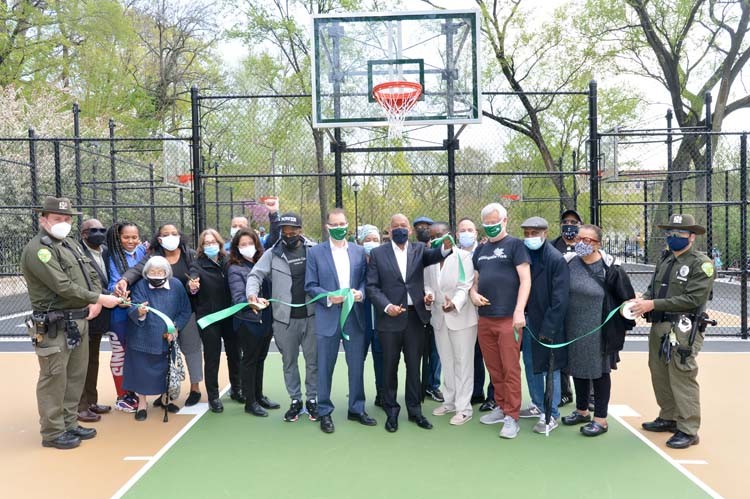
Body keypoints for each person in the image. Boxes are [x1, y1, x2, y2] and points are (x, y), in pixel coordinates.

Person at [21, 196, 120, 449]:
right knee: (55, 377)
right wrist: (98, 298)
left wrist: (95, 300)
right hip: (55, 324)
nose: (63, 223)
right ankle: (53, 432)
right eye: (57, 219)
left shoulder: (72, 245)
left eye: (67, 219)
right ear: (43, 220)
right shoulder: (39, 250)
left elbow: (92, 275)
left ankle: (69, 422)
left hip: (79, 321)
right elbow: (61, 286)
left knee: (76, 375)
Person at [629, 214, 714, 449]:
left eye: (680, 233)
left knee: (682, 374)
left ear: (692, 236)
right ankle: (669, 416)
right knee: (659, 371)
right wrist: (641, 300)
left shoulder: (701, 263)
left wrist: (652, 304)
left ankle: (688, 429)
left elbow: (693, 298)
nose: (674, 237)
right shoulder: (666, 259)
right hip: (659, 325)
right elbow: (653, 288)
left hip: (684, 327)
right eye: (670, 233)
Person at [366, 213, 451, 433]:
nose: (400, 229)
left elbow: (437, 254)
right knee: (389, 367)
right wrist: (387, 306)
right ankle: (391, 411)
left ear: (410, 231)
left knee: (414, 367)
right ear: (389, 230)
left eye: (404, 226)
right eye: (396, 226)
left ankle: (415, 411)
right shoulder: (377, 254)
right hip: (389, 320)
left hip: (415, 318)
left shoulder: (419, 250)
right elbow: (372, 287)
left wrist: (446, 246)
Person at [116, 224, 204, 408]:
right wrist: (124, 280)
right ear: (159, 238)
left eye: (174, 233)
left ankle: (195, 388)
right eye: (165, 234)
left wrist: (194, 285)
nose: (170, 237)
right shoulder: (153, 257)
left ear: (180, 236)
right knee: (165, 353)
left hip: (186, 310)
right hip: (160, 312)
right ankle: (166, 392)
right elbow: (137, 271)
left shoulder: (189, 255)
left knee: (191, 349)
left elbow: (196, 272)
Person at [560, 224, 635, 437]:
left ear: (598, 244)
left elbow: (626, 299)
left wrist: (622, 324)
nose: (582, 243)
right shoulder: (568, 263)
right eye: (579, 238)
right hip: (573, 328)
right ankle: (582, 410)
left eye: (588, 240)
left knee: (600, 373)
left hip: (600, 331)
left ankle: (600, 419)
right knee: (578, 368)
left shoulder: (610, 267)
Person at [305, 208, 376, 433]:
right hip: (327, 318)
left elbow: (366, 281)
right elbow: (310, 285)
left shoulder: (358, 251)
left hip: (354, 317)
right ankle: (324, 411)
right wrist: (329, 297)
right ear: (327, 227)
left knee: (356, 366)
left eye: (342, 224)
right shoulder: (315, 253)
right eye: (334, 225)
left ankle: (356, 408)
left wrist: (360, 294)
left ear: (348, 225)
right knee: (325, 367)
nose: (339, 228)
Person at [246, 212, 318, 422]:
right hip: (284, 321)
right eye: (284, 232)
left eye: (292, 231)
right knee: (289, 362)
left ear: (300, 231)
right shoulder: (272, 253)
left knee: (313, 361)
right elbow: (255, 275)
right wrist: (252, 294)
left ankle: (312, 400)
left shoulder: (313, 250)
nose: (288, 235)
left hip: (312, 317)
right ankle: (296, 401)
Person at [471, 202, 530, 439]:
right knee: (494, 368)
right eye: (487, 224)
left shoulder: (516, 246)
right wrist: (472, 294)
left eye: (495, 222)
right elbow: (475, 280)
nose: (491, 227)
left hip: (508, 319)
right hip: (485, 319)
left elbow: (525, 280)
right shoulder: (481, 250)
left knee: (510, 368)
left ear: (505, 221)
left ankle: (512, 417)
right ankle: (501, 405)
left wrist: (519, 311)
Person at [124, 256, 192, 421]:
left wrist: (175, 329)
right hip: (142, 337)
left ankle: (164, 399)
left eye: (160, 271)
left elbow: (185, 310)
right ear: (146, 273)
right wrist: (139, 312)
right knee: (140, 371)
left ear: (166, 272)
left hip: (166, 337)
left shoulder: (176, 285)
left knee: (166, 370)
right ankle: (142, 403)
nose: (156, 275)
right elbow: (133, 308)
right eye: (152, 271)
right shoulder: (140, 285)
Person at [518, 216, 570, 434]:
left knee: (551, 369)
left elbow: (560, 299)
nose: (530, 237)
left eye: (535, 233)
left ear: (545, 233)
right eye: (527, 233)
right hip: (528, 321)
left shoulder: (555, 259)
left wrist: (549, 329)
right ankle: (538, 404)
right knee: (531, 365)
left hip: (549, 324)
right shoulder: (523, 254)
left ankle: (552, 413)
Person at [424, 220, 477, 425]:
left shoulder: (463, 257)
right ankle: (450, 401)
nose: (435, 239)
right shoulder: (430, 260)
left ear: (449, 236)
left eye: (439, 235)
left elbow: (465, 285)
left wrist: (454, 304)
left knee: (462, 362)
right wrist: (428, 296)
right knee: (446, 360)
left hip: (461, 316)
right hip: (439, 318)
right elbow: (428, 285)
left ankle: (464, 408)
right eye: (432, 236)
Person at [227, 228, 279, 416]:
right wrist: (252, 302)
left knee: (260, 358)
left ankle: (259, 395)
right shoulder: (235, 268)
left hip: (265, 319)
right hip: (248, 321)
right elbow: (238, 297)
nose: (247, 247)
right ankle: (250, 401)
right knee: (249, 360)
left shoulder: (262, 263)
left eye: (250, 243)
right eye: (243, 244)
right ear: (236, 247)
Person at [188, 229, 239, 413]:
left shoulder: (228, 261)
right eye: (206, 243)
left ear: (220, 243)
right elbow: (192, 282)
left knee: (234, 354)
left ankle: (237, 388)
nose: (210, 245)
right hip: (209, 317)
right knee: (212, 357)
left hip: (230, 314)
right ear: (202, 247)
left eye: (213, 242)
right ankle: (214, 397)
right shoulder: (197, 265)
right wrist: (193, 286)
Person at [105, 222, 147, 412]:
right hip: (118, 313)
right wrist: (118, 294)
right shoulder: (111, 255)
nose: (131, 241)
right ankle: (122, 395)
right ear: (118, 237)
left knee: (135, 352)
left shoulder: (143, 252)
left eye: (134, 237)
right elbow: (113, 282)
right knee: (120, 353)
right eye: (126, 237)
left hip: (137, 310)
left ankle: (135, 391)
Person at [77, 219, 112, 423]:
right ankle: (80, 407)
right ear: (83, 234)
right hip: (85, 312)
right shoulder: (77, 253)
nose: (98, 233)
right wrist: (107, 296)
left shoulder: (105, 251)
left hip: (99, 318)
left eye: (101, 230)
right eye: (93, 230)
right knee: (81, 363)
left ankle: (91, 401)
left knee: (93, 361)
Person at [551, 209, 582, 407]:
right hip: (559, 306)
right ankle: (564, 392)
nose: (569, 225)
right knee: (559, 351)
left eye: (574, 222)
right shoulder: (552, 247)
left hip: (581, 308)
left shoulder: (586, 246)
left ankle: (590, 396)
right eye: (565, 221)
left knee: (582, 352)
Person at [414, 216, 443, 403]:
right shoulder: (411, 251)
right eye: (419, 227)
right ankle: (418, 386)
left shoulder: (438, 251)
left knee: (436, 350)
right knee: (417, 351)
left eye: (427, 227)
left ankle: (433, 386)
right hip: (417, 308)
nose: (424, 230)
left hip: (437, 307)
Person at [359, 224, 384, 406]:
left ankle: (382, 395)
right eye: (367, 240)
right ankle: (357, 398)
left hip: (382, 321)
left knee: (382, 359)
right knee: (358, 360)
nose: (371, 243)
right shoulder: (355, 263)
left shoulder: (385, 262)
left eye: (375, 240)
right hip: (361, 320)